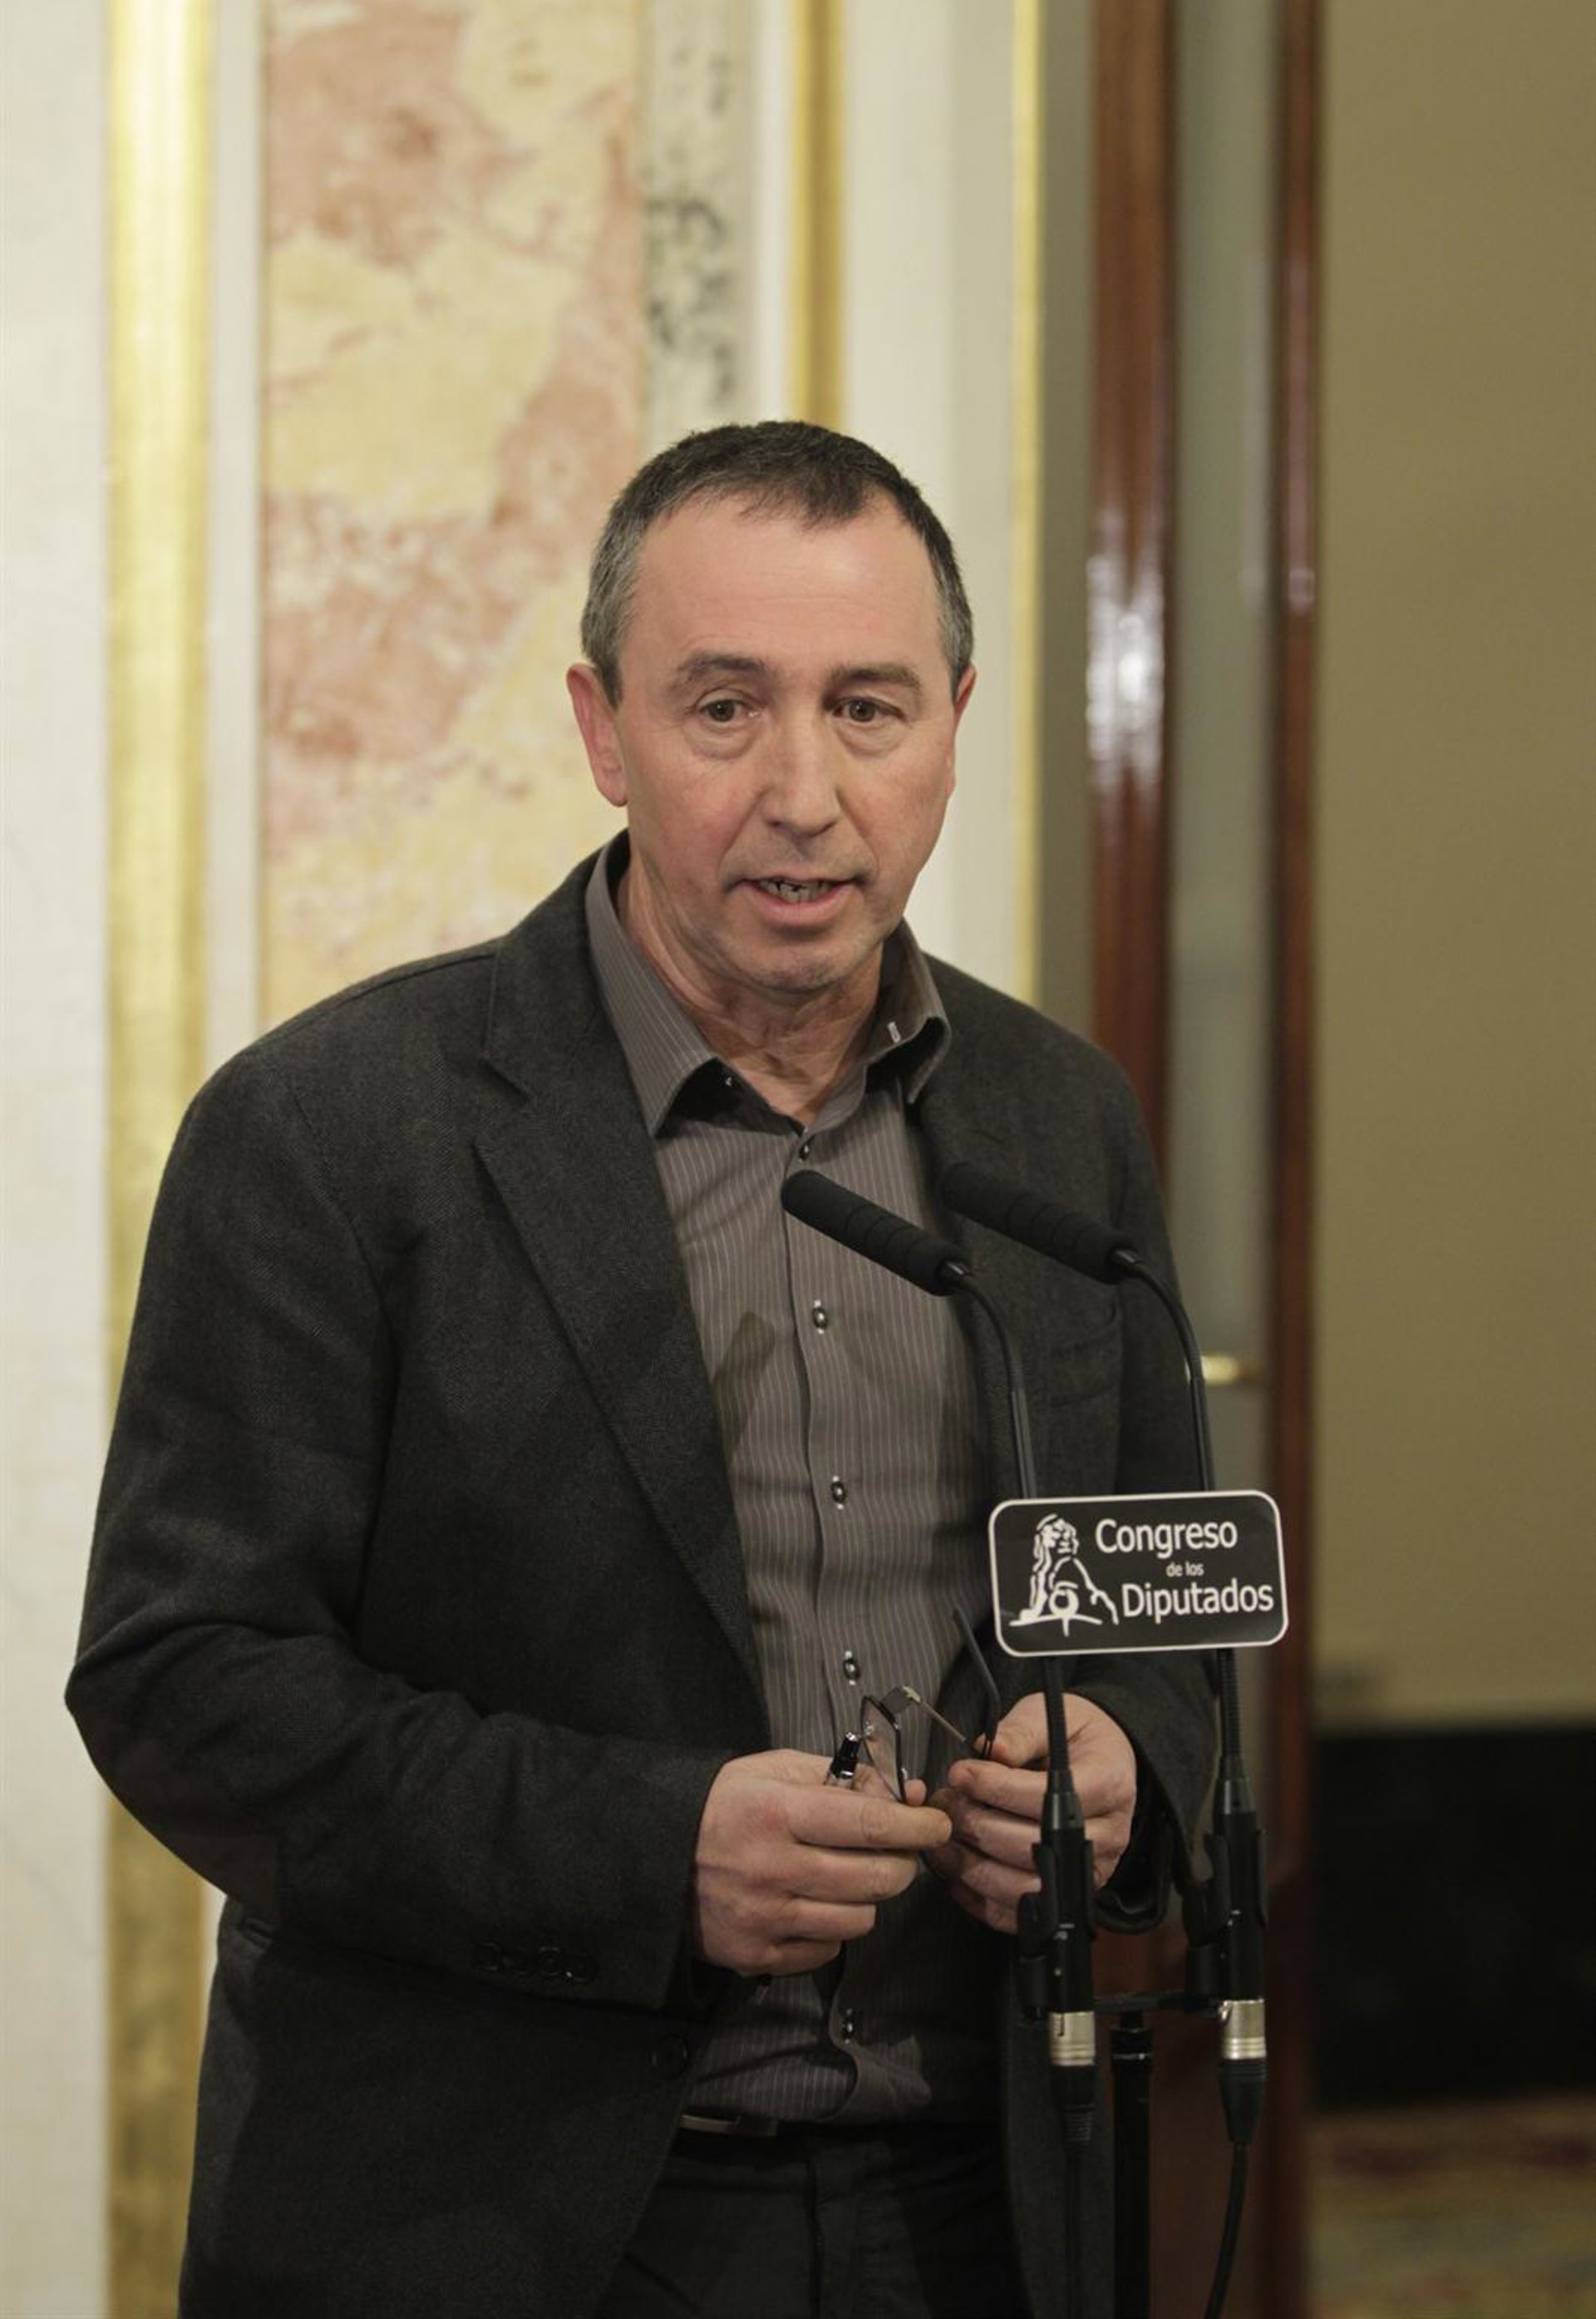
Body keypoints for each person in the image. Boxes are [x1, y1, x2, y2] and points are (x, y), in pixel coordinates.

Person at [69, 422, 1212, 2319]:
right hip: (493, 2211)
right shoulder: (333, 1129)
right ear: (603, 731)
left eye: (867, 709)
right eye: (722, 709)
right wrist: (647, 1853)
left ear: (955, 723)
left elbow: (1166, 1614)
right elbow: (184, 1682)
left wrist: (1128, 1775)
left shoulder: (1059, 1120)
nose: (803, 795)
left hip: (990, 2208)